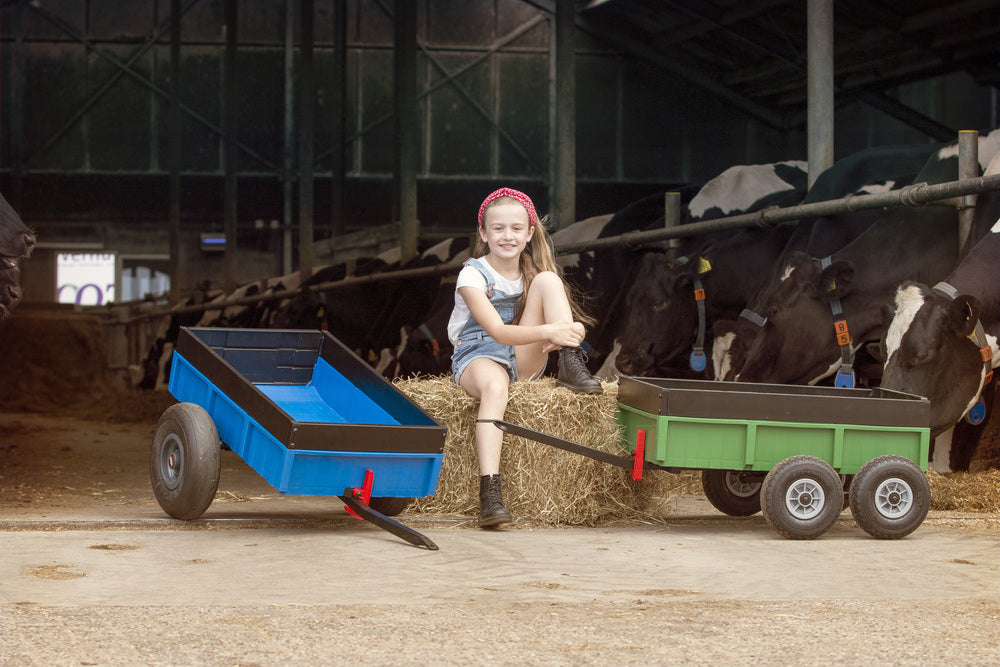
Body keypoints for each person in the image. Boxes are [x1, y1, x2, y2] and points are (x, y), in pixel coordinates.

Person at [447, 187, 602, 528]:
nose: (507, 236)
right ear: (484, 234)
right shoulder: (472, 275)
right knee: (496, 389)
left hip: (521, 354)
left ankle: (570, 363)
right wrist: (551, 332)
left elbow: (548, 328)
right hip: (477, 354)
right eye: (498, 228)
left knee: (550, 279)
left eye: (516, 228)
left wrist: (570, 334)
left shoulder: (533, 272)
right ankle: (490, 492)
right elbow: (498, 334)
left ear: (530, 233)